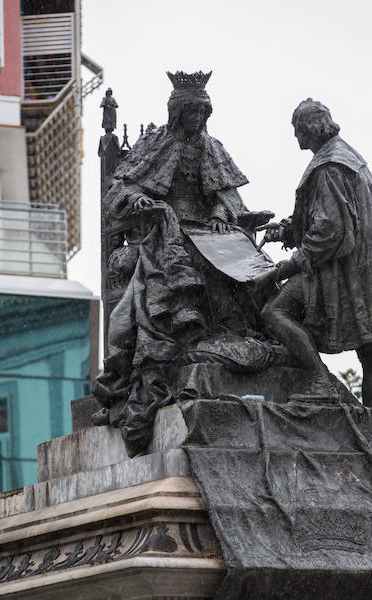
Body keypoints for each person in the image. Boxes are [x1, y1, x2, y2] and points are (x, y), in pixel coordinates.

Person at [93, 71, 271, 455]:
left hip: (210, 230)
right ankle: (185, 335)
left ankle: (240, 329)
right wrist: (139, 201)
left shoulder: (213, 147)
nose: (198, 120)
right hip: (164, 228)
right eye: (192, 112)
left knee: (255, 264)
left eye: (203, 113)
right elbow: (119, 190)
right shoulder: (156, 144)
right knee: (188, 257)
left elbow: (228, 195)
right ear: (179, 111)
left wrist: (224, 212)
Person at [256, 99, 372, 407]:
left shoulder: (329, 165)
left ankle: (319, 380)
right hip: (363, 267)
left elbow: (329, 232)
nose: (296, 136)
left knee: (274, 312)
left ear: (310, 129)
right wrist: (288, 230)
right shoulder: (347, 156)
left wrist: (283, 269)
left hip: (340, 271)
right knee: (370, 347)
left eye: (297, 129)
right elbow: (330, 216)